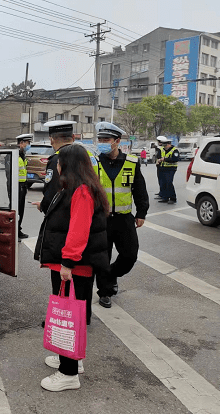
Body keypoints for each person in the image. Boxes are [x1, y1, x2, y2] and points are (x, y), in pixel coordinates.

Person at [34, 144, 109, 391]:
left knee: (70, 317)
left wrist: (67, 262)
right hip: (71, 265)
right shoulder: (76, 188)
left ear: (68, 165)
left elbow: (78, 231)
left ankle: (68, 373)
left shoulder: (82, 192)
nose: (56, 166)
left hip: (73, 266)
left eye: (59, 162)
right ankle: (71, 359)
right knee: (70, 316)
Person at [94, 122, 149, 308]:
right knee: (103, 257)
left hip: (124, 219)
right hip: (100, 219)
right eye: (100, 139)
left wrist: (141, 212)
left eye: (106, 140)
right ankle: (105, 292)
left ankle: (112, 274)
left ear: (117, 141)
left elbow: (139, 189)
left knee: (130, 255)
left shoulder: (131, 162)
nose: (102, 142)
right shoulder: (94, 163)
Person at [32, 120, 98, 214]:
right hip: (92, 210)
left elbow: (52, 191)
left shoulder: (57, 159)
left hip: (66, 214)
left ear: (51, 140)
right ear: (73, 137)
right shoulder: (90, 156)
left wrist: (43, 206)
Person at [15, 133, 33, 239]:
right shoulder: (14, 155)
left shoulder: (22, 155)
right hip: (16, 187)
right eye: (27, 143)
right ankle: (15, 230)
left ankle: (18, 229)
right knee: (17, 210)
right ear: (21, 143)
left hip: (22, 186)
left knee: (21, 209)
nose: (28, 145)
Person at [156, 136, 179, 203]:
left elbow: (175, 159)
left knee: (169, 182)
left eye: (165, 145)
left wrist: (165, 159)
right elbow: (159, 156)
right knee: (163, 183)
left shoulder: (175, 150)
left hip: (171, 168)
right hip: (163, 168)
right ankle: (165, 198)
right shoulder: (162, 149)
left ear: (169, 144)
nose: (164, 146)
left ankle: (173, 198)